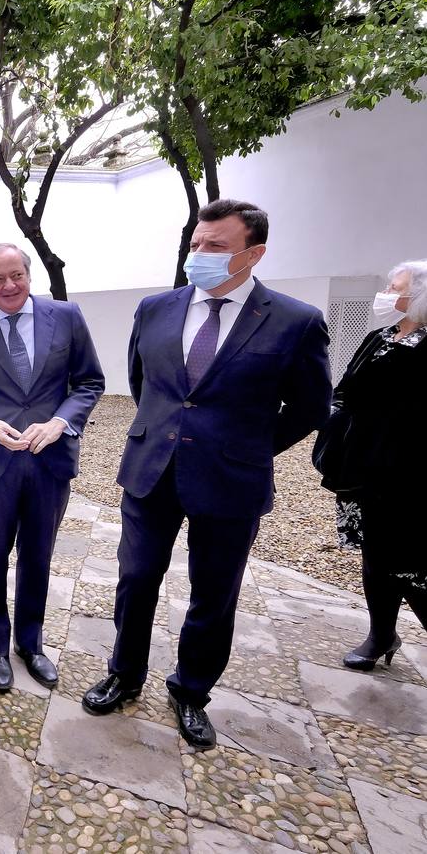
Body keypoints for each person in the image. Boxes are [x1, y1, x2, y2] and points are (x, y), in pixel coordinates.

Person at [82, 200, 332, 751]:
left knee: (214, 593)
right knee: (137, 578)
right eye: (196, 244)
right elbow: (145, 382)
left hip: (231, 480)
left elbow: (314, 405)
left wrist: (249, 449)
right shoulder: (155, 309)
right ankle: (125, 674)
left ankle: (192, 690)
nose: (199, 255)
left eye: (215, 247)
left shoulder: (295, 321)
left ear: (253, 253)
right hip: (152, 472)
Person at [0, 245, 104, 691]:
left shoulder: (67, 317)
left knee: (38, 557)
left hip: (49, 461)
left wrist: (61, 422)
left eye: (16, 275)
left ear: (28, 274)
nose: (9, 286)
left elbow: (90, 381)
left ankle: (30, 644)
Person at [312, 260, 427, 669]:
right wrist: (332, 416)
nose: (387, 295)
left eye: (396, 288)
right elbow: (346, 388)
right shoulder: (380, 336)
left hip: (410, 473)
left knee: (410, 560)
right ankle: (381, 635)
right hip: (360, 468)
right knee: (376, 555)